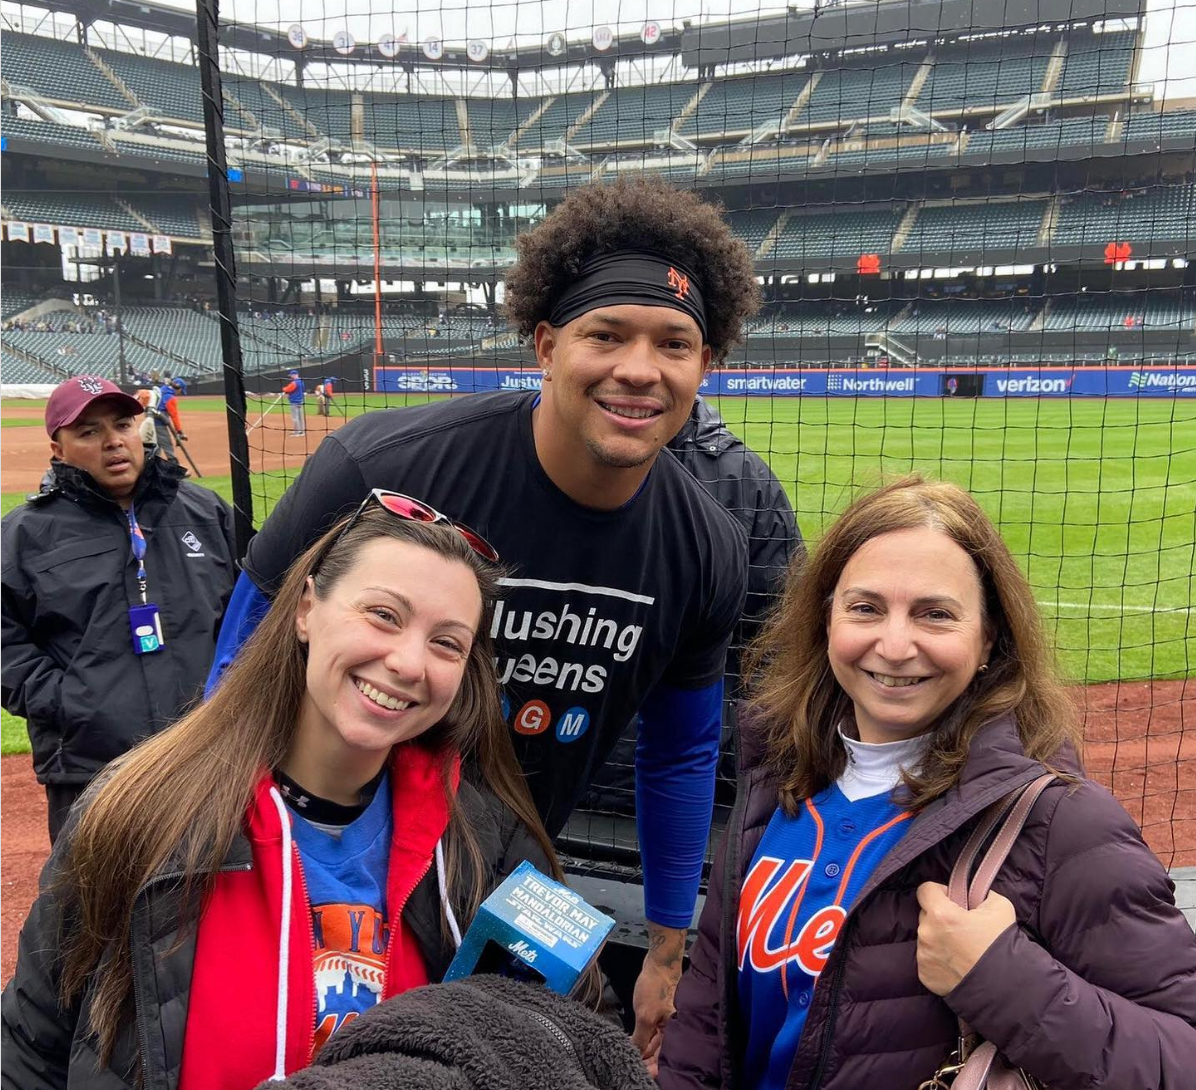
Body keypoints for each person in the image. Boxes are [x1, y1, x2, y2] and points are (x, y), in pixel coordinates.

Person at [205, 176, 760, 1060]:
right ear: (546, 344)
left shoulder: (707, 549)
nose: (639, 368)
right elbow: (241, 664)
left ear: (704, 364)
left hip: (509, 886)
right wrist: (211, 852)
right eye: (606, 334)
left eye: (674, 343)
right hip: (321, 859)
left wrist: (665, 944)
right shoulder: (381, 466)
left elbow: (682, 752)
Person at [1, 503, 581, 1089]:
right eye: (383, 615)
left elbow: (573, 1031)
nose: (409, 663)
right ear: (306, 609)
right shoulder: (141, 809)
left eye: (447, 643)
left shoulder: (489, 841)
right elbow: (30, 1047)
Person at [658, 476, 1196, 1090]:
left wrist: (1008, 980)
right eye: (865, 608)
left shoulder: (1063, 823)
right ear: (826, 618)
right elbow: (705, 1022)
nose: (894, 645)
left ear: (989, 637)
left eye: (935, 615)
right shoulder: (776, 777)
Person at [1, 376, 237, 843]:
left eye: (123, 424)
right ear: (58, 450)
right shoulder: (23, 536)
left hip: (211, 757)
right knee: (99, 891)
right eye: (88, 431)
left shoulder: (205, 511)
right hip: (91, 770)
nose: (113, 441)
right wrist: (71, 702)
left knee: (217, 884)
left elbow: (252, 615)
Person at [578, 395, 801, 816]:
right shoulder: (534, 461)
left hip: (692, 785)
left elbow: (778, 641)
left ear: (703, 365)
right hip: (545, 778)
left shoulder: (741, 478)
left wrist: (734, 755)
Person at [284, 368, 307, 436]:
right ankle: (302, 431)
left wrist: (284, 389)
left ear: (294, 375)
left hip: (294, 401)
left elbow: (287, 389)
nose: (291, 377)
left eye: (291, 375)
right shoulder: (301, 382)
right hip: (300, 401)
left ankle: (296, 432)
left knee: (295, 417)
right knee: (300, 417)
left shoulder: (294, 383)